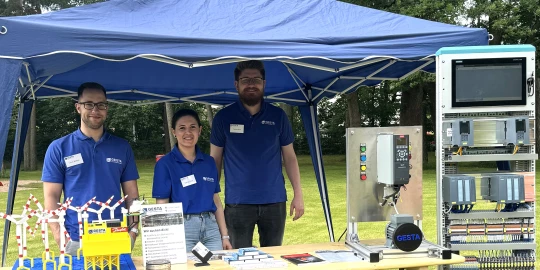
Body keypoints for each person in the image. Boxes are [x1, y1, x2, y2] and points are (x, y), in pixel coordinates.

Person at [210, 60, 304, 249]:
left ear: (264, 83)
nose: (251, 84)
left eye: (256, 79)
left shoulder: (278, 116)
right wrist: (210, 196)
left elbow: (290, 157)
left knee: (273, 259)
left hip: (274, 201)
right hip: (237, 203)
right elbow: (215, 160)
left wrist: (298, 194)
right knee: (238, 260)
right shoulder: (223, 118)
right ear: (236, 84)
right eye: (245, 80)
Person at [42, 82, 140, 255]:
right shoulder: (58, 148)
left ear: (107, 108)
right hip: (76, 237)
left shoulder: (122, 147)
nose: (95, 109)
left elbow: (132, 196)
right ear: (78, 107)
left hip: (115, 235)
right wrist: (60, 237)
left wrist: (133, 231)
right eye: (89, 104)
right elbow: (51, 197)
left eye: (101, 104)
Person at [152, 108, 232, 252]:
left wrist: (224, 235)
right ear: (173, 132)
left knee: (216, 267)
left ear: (200, 130)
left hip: (211, 228)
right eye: (182, 128)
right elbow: (162, 204)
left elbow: (216, 200)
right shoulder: (165, 164)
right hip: (183, 228)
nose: (188, 132)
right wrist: (164, 239)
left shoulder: (209, 162)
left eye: (192, 127)